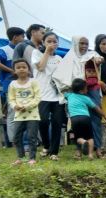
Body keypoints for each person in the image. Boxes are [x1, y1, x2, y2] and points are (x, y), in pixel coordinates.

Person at [0, 27, 25, 147]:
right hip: (10, 86)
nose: (24, 39)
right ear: (15, 37)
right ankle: (14, 141)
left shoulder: (24, 49)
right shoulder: (4, 49)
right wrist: (11, 70)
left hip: (25, 85)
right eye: (22, 37)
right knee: (13, 112)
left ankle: (26, 140)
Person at [31, 32, 64, 160]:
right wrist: (47, 52)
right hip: (42, 95)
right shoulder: (36, 53)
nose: (52, 44)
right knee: (43, 121)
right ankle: (46, 145)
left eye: (54, 41)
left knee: (57, 123)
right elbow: (40, 67)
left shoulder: (59, 58)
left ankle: (54, 152)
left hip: (57, 96)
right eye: (49, 41)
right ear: (43, 42)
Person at [65, 78, 106, 159]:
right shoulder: (86, 98)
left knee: (78, 137)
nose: (87, 90)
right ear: (81, 91)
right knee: (90, 137)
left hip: (74, 119)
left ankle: (83, 142)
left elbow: (64, 93)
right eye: (86, 88)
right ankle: (90, 155)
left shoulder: (69, 96)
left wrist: (72, 87)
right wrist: (104, 115)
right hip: (86, 118)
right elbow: (96, 108)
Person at [8, 59, 41, 165]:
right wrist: (15, 106)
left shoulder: (34, 82)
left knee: (32, 137)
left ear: (28, 69)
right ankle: (21, 157)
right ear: (14, 71)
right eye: (18, 67)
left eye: (24, 67)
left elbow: (38, 97)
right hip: (19, 115)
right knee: (16, 137)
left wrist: (27, 107)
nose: (21, 69)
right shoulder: (12, 84)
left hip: (33, 115)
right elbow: (11, 99)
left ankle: (32, 158)